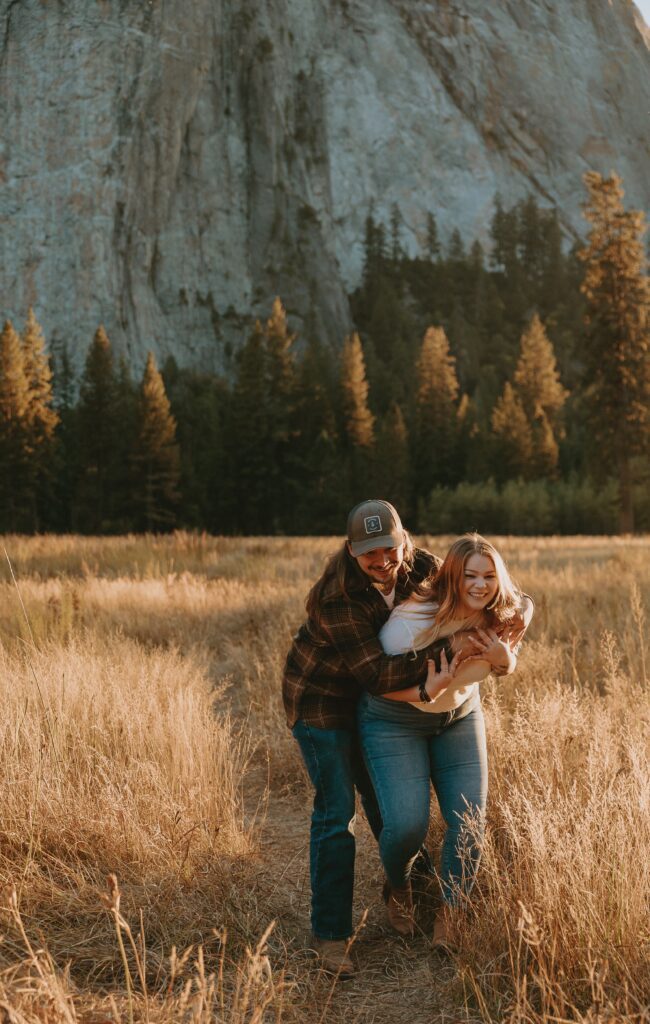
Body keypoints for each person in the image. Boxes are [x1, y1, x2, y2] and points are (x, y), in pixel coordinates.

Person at [282, 499, 443, 978]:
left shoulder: (424, 567)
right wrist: (446, 662)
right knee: (338, 812)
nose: (383, 561)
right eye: (370, 552)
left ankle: (416, 893)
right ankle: (329, 936)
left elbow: (478, 586)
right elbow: (375, 672)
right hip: (323, 703)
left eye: (390, 547)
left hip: (375, 704)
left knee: (389, 802)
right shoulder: (339, 597)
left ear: (403, 539)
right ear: (352, 550)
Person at [357, 533, 534, 948]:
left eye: (489, 576)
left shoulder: (501, 612)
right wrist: (425, 690)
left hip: (460, 717)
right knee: (406, 826)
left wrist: (505, 660)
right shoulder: (411, 624)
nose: (480, 585)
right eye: (470, 576)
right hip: (395, 718)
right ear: (451, 578)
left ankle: (451, 912)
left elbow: (520, 621)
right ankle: (399, 886)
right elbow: (376, 684)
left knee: (469, 820)